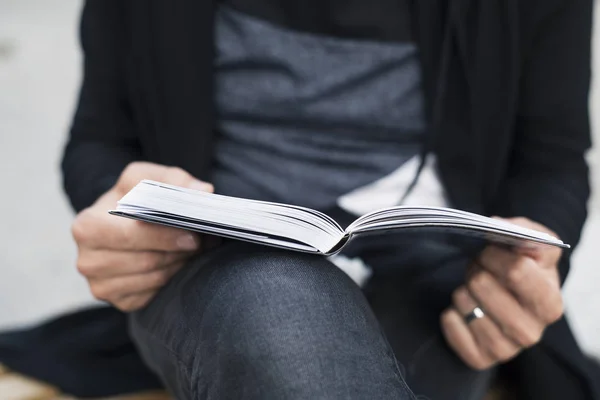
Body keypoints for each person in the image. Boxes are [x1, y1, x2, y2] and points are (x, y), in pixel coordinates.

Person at [56, 0, 598, 398]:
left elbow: (552, 160)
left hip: (438, 275)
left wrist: (531, 261)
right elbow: (99, 140)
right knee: (282, 307)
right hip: (215, 256)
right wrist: (121, 212)